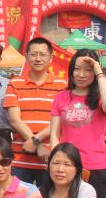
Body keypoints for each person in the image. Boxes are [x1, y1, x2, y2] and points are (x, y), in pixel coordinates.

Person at [49, 48, 106, 198]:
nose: (81, 74)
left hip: (95, 166)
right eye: (77, 69)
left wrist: (99, 70)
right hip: (67, 167)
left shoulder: (100, 97)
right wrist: (56, 162)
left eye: (88, 70)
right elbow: (54, 134)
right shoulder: (61, 97)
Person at [4, 36, 67, 186]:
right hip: (20, 158)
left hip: (51, 157)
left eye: (42, 54)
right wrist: (38, 146)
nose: (38, 59)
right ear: (26, 56)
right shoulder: (15, 83)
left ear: (50, 58)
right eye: (33, 54)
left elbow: (61, 120)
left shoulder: (62, 85)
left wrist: (35, 141)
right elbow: (15, 120)